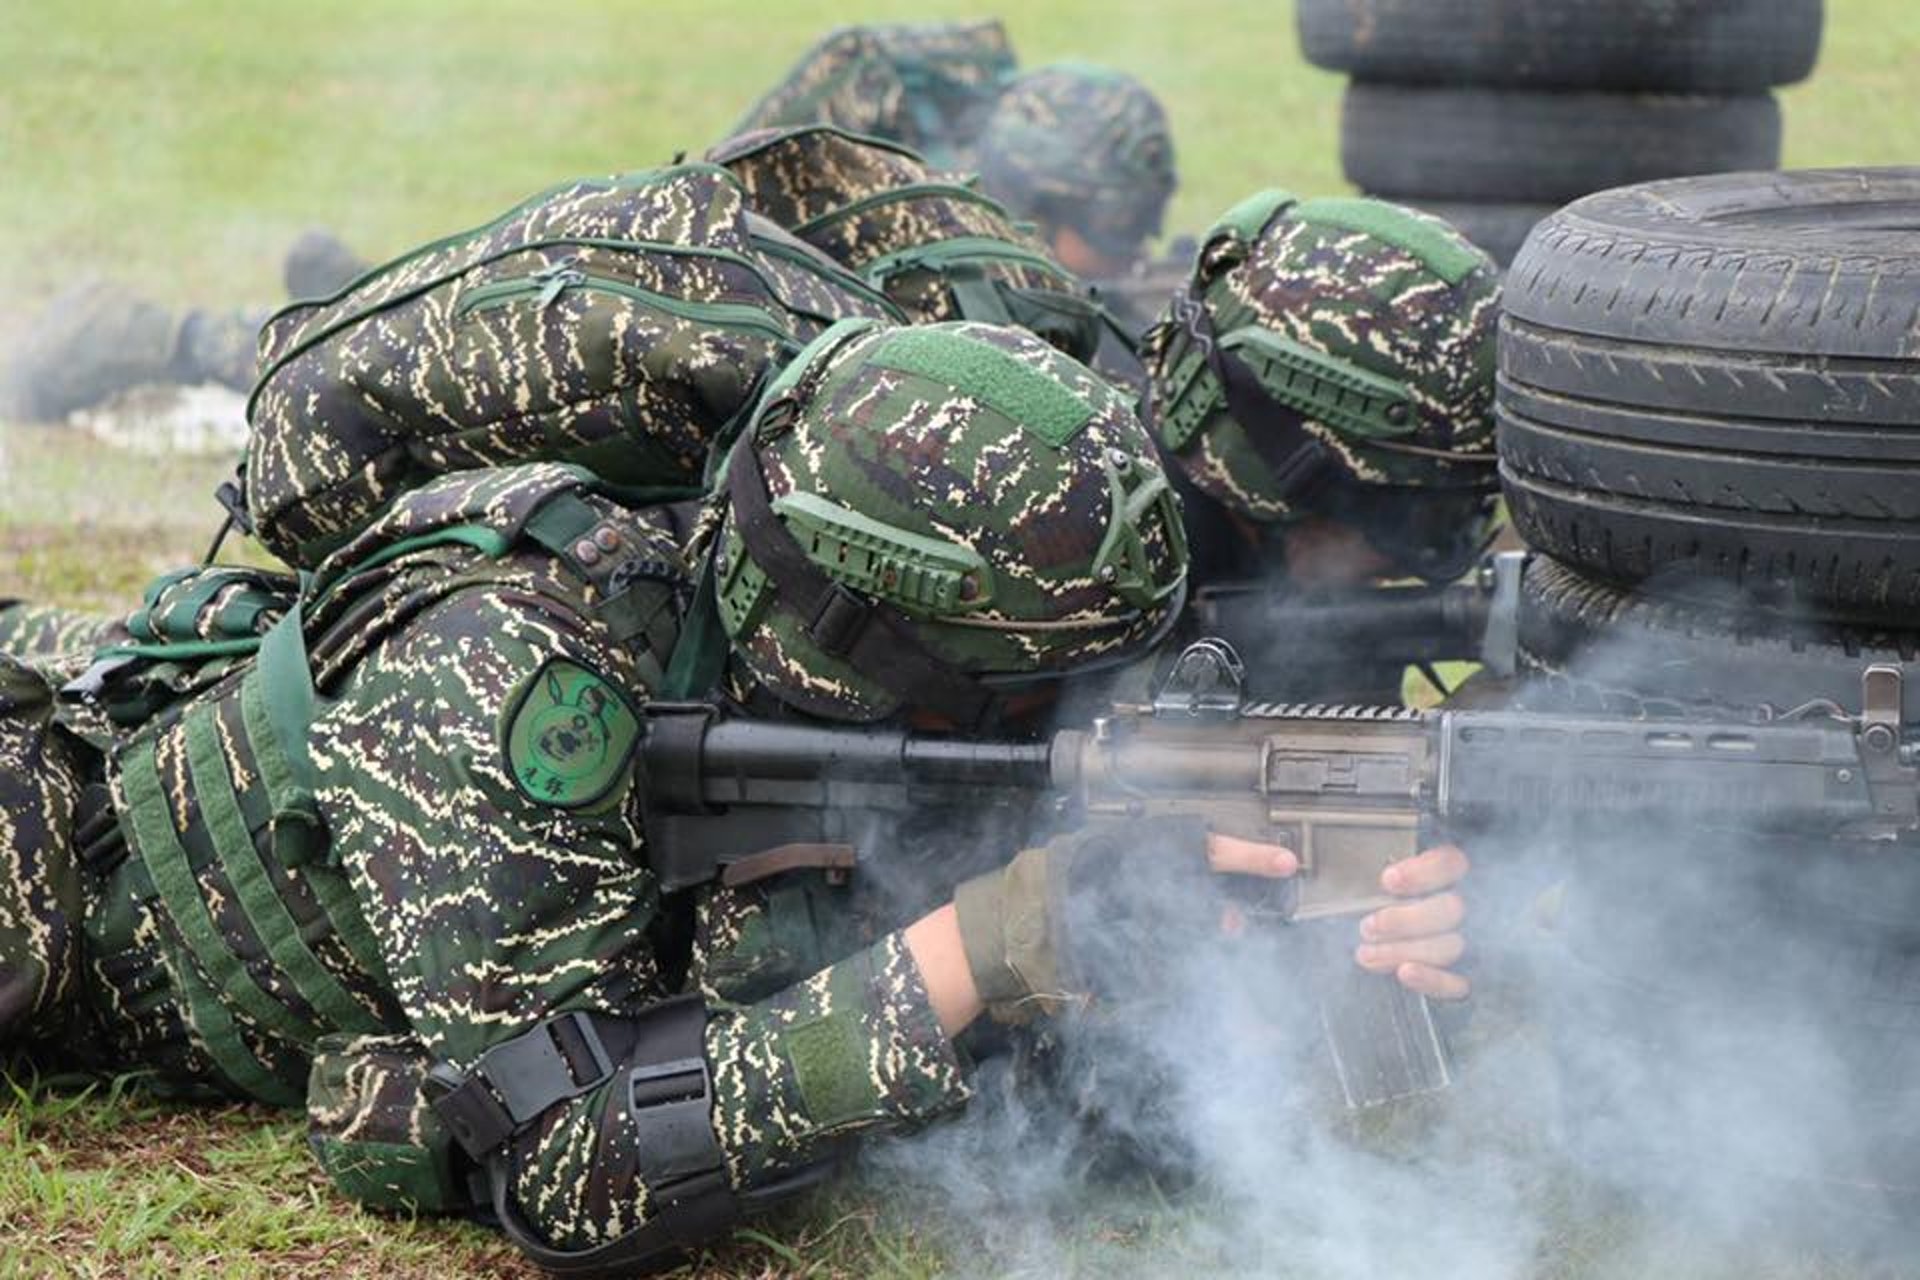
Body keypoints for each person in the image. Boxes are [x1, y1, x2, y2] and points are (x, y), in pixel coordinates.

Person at [0, 318, 1469, 1270]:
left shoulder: (826, 691)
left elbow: (1012, 1090)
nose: (1071, 733)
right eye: (1037, 699)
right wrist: (992, 941)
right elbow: (568, 1168)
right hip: (63, 887)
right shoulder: (516, 674)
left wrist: (1279, 976)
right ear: (871, 650)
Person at [1140, 191, 1504, 701]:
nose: (1402, 571)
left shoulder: (1289, 577)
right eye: (1422, 520)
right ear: (1277, 472)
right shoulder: (1093, 603)